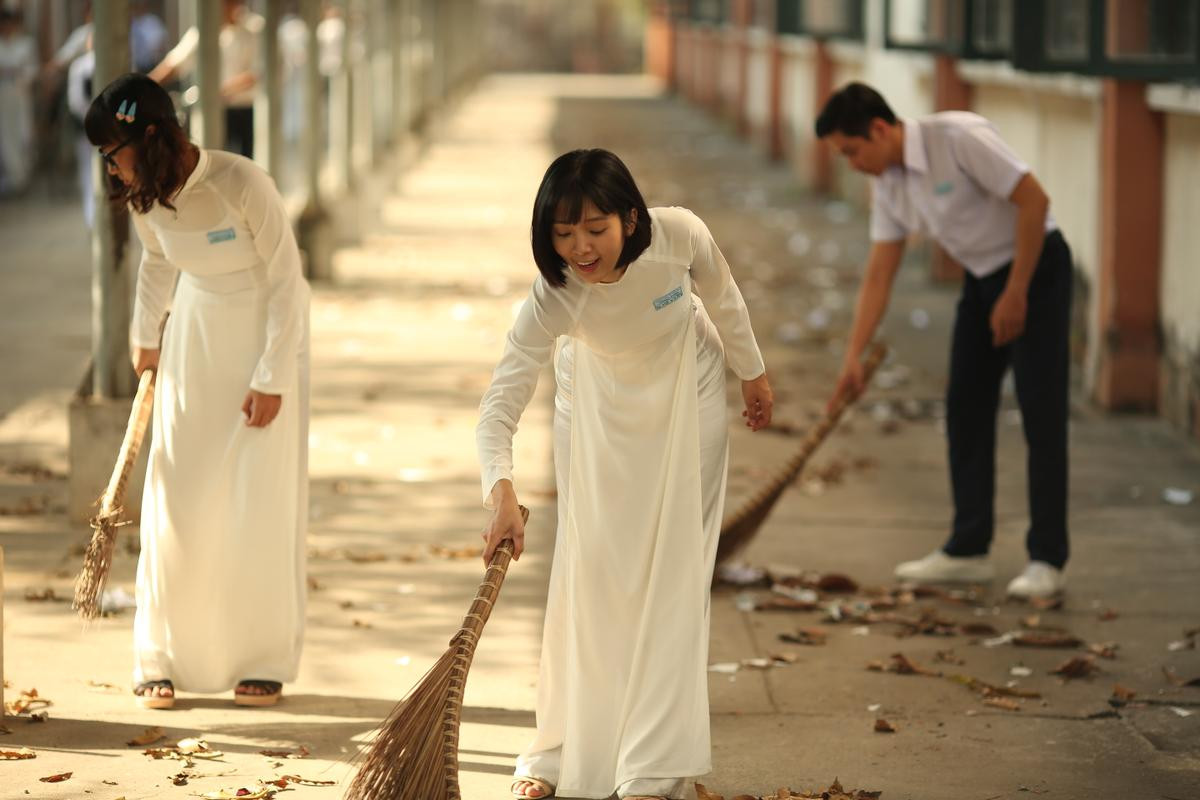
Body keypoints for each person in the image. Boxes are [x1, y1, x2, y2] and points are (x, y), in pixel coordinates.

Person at [476, 149, 774, 800]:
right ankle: (556, 750)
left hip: (688, 386)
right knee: (596, 572)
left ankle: (652, 762)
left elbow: (720, 293)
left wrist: (751, 371)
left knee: (674, 572)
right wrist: (500, 488)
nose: (580, 248)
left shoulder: (679, 236)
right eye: (562, 234)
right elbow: (501, 401)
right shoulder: (554, 297)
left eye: (594, 229)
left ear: (631, 220)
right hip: (595, 406)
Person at [85, 73, 310, 709]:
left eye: (113, 151)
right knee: (176, 489)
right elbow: (158, 262)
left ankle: (260, 656)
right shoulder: (147, 196)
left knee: (254, 495)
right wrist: (145, 332)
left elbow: (287, 281)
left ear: (151, 136)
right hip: (197, 331)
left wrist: (272, 375)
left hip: (267, 331)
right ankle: (158, 654)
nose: (110, 167)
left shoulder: (243, 182)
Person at [817, 82, 1073, 599]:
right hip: (982, 283)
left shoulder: (958, 137)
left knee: (1040, 412)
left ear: (881, 129)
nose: (852, 164)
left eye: (852, 151)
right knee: (964, 408)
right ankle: (969, 548)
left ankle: (1047, 558)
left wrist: (1018, 291)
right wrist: (853, 357)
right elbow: (879, 275)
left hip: (1036, 270)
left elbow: (1034, 200)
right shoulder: (888, 183)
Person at [150, 0, 262, 158]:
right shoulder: (204, 30)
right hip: (211, 109)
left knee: (242, 162)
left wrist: (217, 91)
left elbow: (257, 73)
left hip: (242, 110)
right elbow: (175, 63)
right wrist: (145, 84)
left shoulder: (254, 28)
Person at [0, 8, 38, 196]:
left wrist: (18, 75)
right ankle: (10, 178)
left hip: (19, 95)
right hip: (2, 96)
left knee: (23, 132)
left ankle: (22, 177)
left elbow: (31, 70)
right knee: (5, 136)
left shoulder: (25, 44)